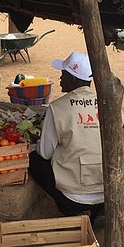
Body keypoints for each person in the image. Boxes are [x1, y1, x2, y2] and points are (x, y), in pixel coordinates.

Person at [29, 52, 104, 219]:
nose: (60, 79)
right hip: (108, 191)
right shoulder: (107, 102)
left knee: (34, 159)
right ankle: (99, 208)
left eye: (63, 74)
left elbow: (45, 153)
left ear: (73, 79)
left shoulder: (57, 107)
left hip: (73, 197)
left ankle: (69, 208)